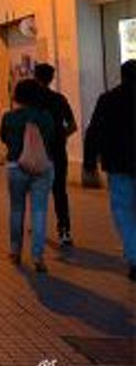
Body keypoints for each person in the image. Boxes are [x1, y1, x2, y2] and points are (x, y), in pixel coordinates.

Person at [83, 60, 136, 281]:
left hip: (119, 165)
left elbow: (93, 132)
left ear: (121, 76)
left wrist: (89, 163)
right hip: (121, 164)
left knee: (124, 213)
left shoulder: (108, 99)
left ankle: (134, 259)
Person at [0, 79, 57, 272]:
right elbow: (52, 138)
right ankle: (38, 256)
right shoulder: (46, 116)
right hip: (43, 166)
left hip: (16, 166)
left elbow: (4, 138)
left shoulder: (9, 117)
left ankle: (15, 251)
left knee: (17, 209)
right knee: (39, 211)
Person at [33, 63, 77, 247]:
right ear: (51, 78)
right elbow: (73, 126)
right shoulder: (60, 99)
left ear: (35, 77)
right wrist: (61, 136)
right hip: (58, 151)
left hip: (36, 152)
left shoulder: (30, 101)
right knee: (60, 191)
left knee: (37, 191)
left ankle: (38, 228)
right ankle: (64, 230)